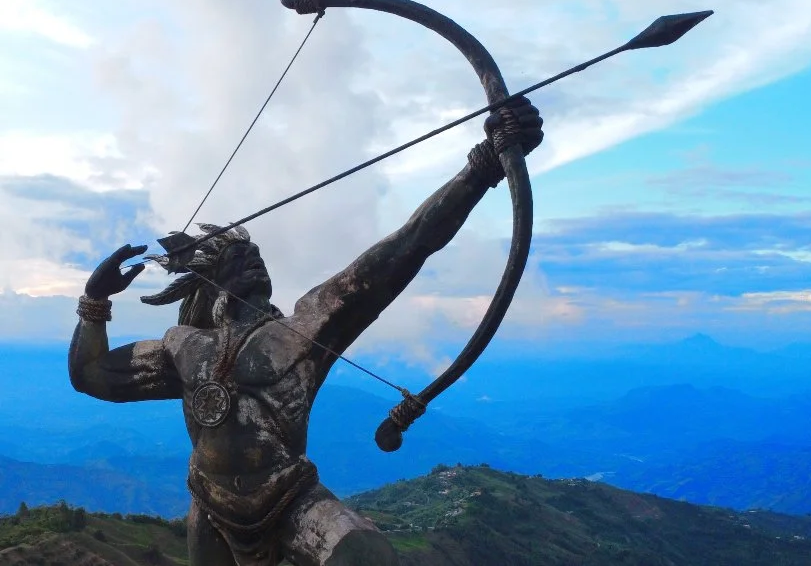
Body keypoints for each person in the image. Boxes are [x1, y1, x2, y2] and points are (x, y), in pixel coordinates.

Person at [68, 98, 543, 566]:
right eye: (236, 258)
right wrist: (95, 303)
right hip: (211, 506)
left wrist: (483, 166)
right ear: (209, 281)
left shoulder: (308, 327)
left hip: (290, 501)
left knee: (362, 552)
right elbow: (93, 374)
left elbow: (403, 249)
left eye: (255, 256)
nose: (253, 260)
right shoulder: (185, 346)